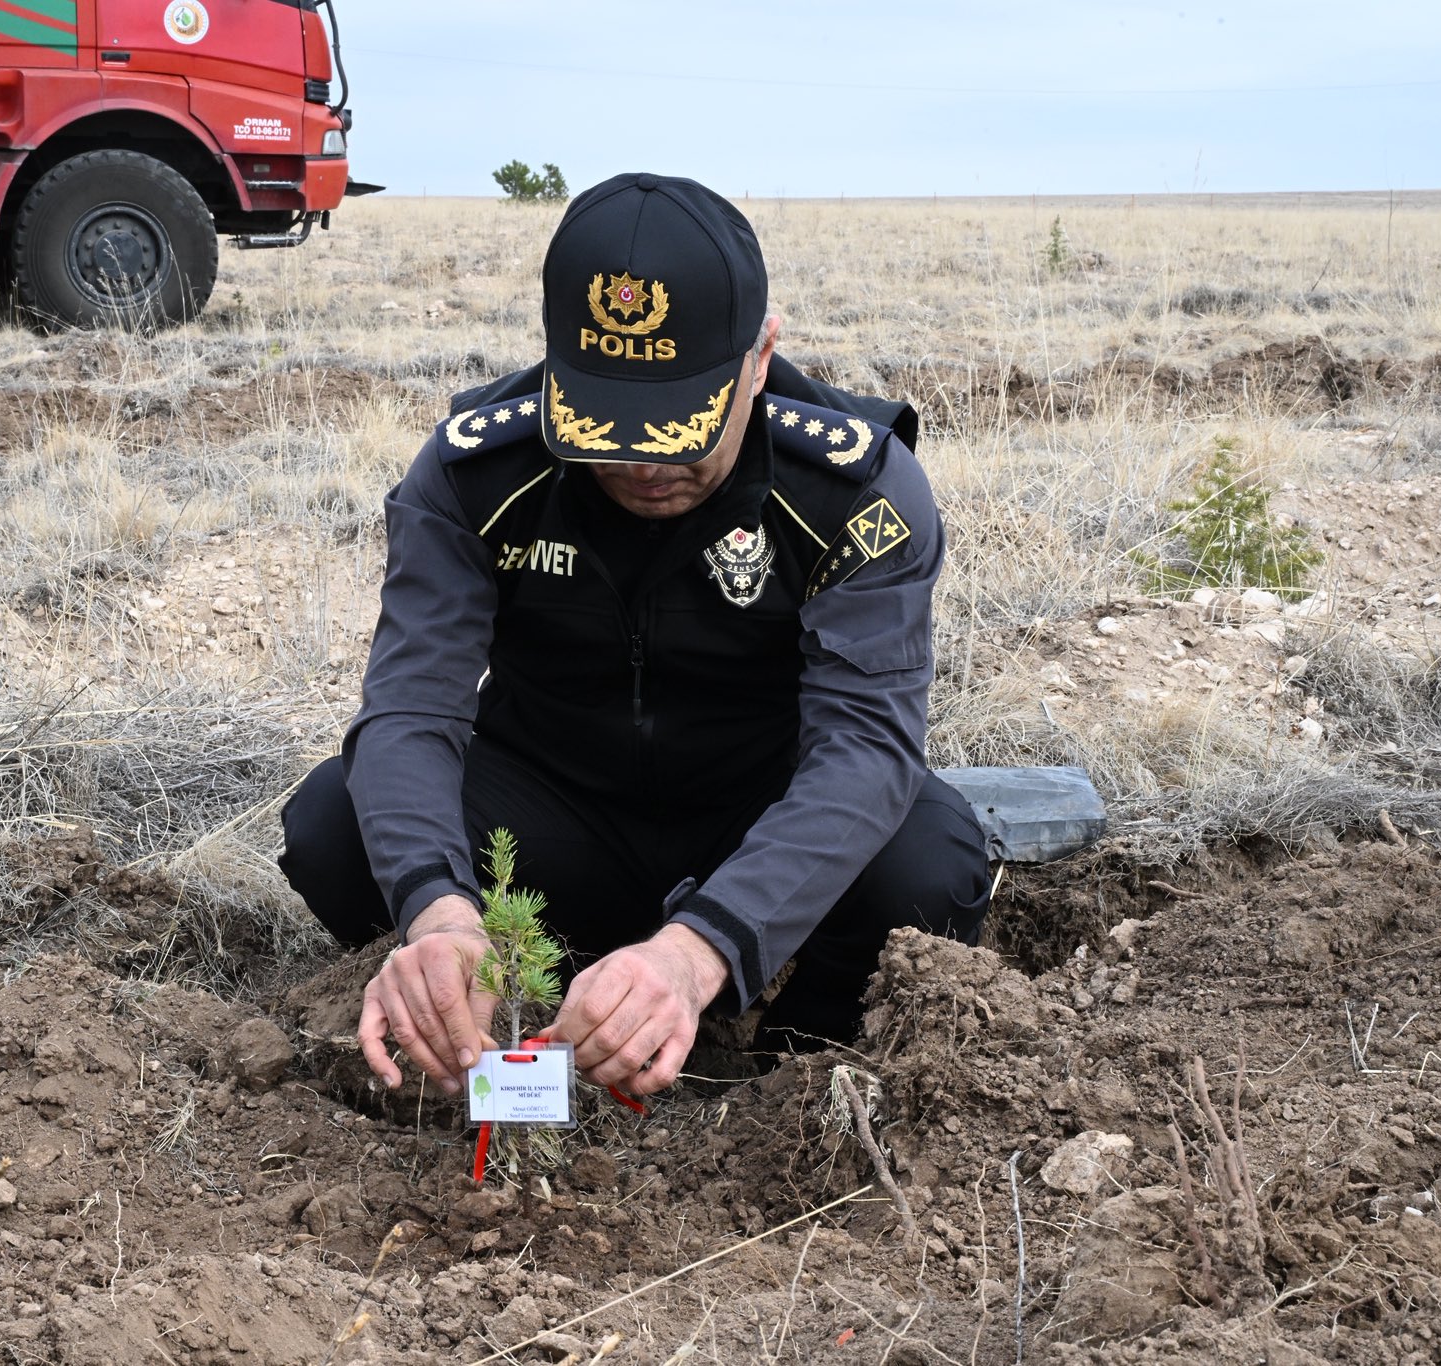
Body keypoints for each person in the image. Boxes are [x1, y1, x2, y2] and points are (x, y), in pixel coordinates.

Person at [279, 171, 992, 1101]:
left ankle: (784, 1070)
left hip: (759, 809)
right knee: (336, 825)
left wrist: (702, 950)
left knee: (928, 866)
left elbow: (865, 749)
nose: (641, 466)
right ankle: (519, 1015)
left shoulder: (853, 491)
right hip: (553, 806)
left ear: (760, 357)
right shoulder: (475, 474)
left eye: (678, 430)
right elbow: (412, 708)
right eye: (604, 428)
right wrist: (438, 913)